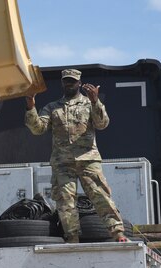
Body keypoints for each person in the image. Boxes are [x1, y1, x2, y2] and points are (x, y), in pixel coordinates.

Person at [25, 69, 128, 243]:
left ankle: (118, 233)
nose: (69, 84)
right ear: (62, 83)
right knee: (66, 202)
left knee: (100, 196)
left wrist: (96, 101)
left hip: (88, 159)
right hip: (63, 162)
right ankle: (72, 238)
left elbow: (102, 124)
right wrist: (30, 105)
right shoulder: (52, 107)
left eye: (72, 81)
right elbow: (38, 129)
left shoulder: (89, 104)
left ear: (79, 83)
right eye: (66, 81)